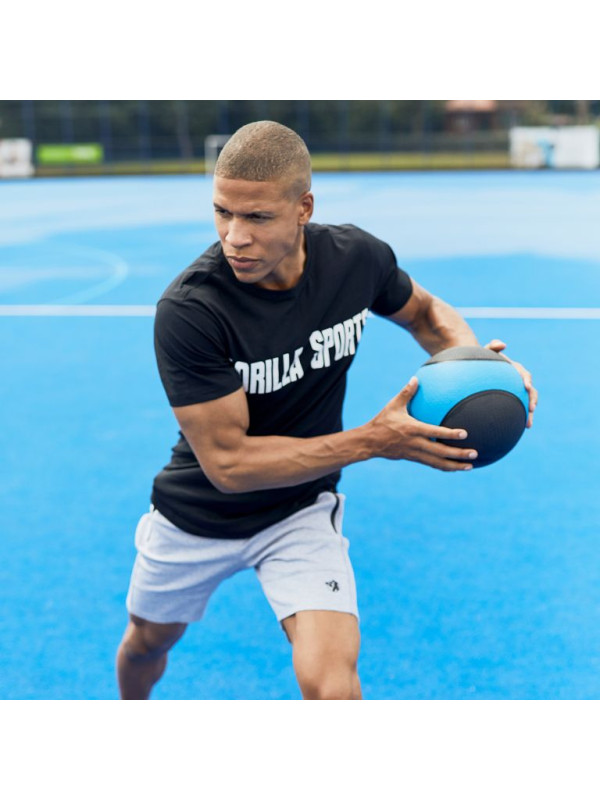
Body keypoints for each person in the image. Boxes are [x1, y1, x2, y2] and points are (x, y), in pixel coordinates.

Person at [116, 121, 537, 700]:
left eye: (257, 217)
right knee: (147, 643)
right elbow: (229, 465)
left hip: (300, 508)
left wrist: (476, 367)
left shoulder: (355, 259)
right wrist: (374, 440)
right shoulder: (192, 310)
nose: (235, 236)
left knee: (331, 687)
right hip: (197, 516)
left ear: (303, 209)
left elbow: (423, 313)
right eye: (222, 212)